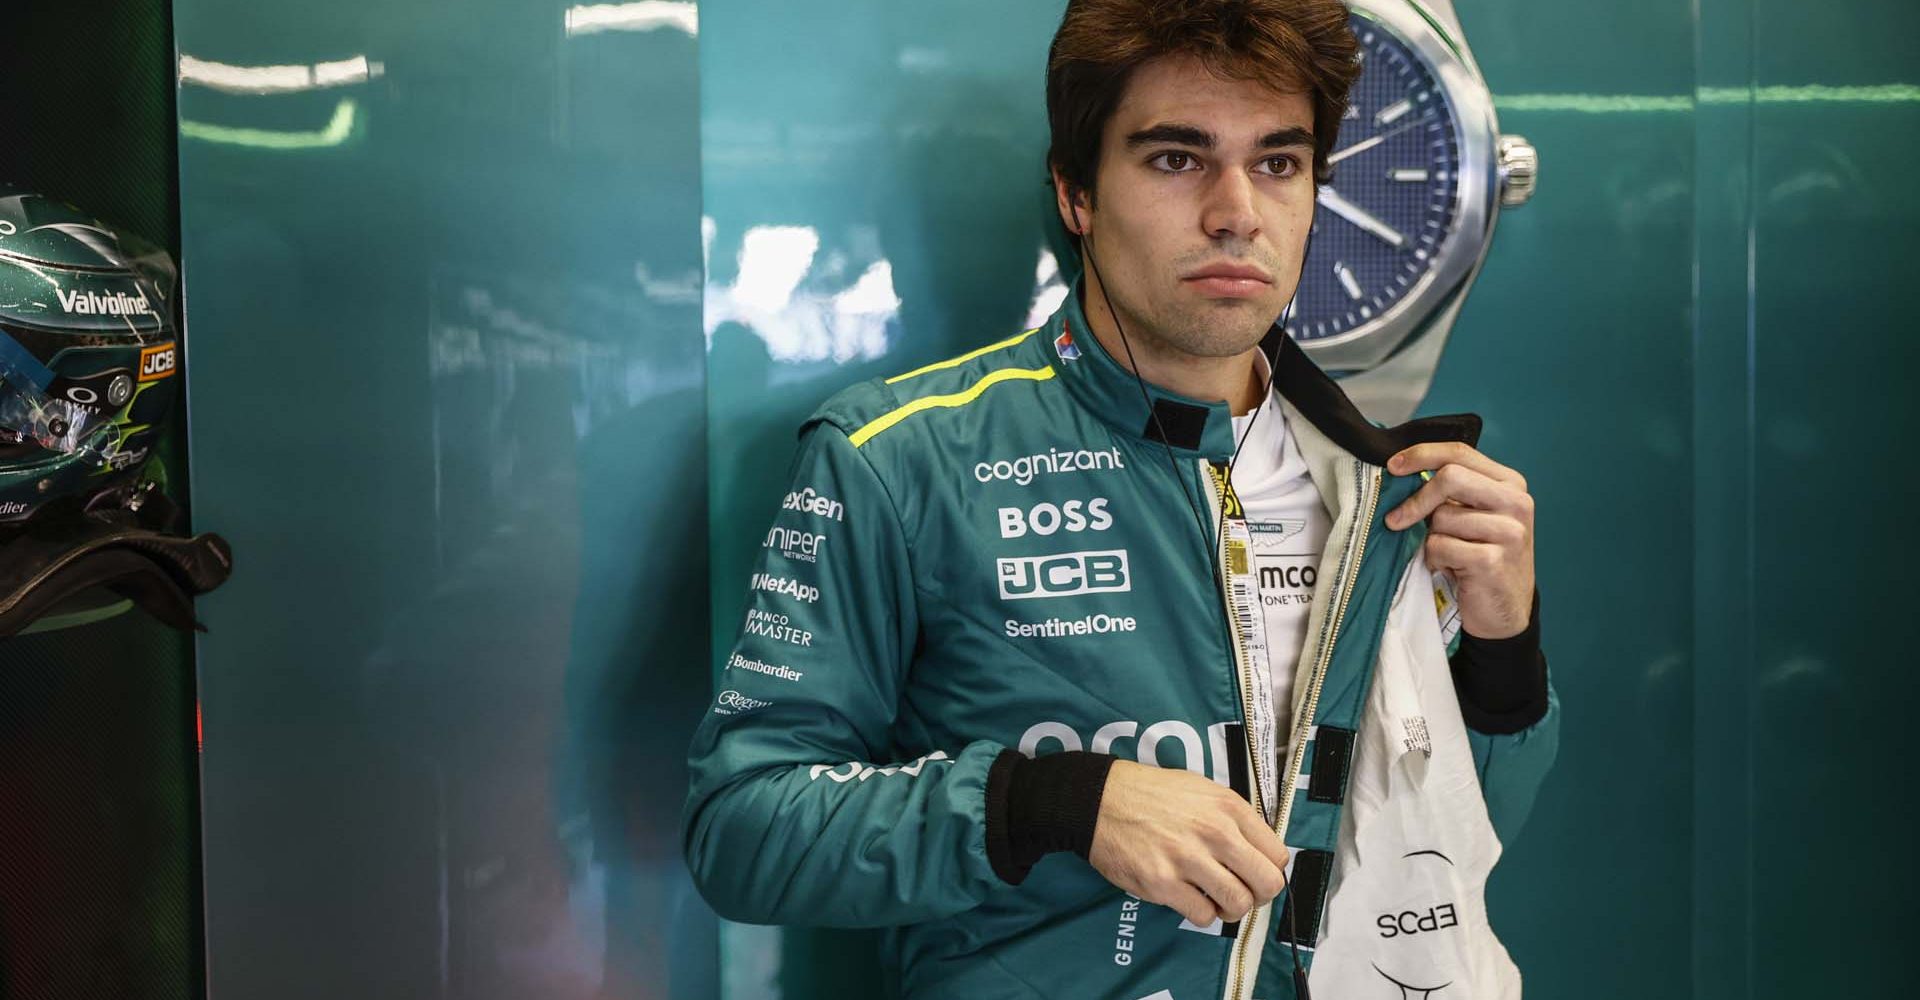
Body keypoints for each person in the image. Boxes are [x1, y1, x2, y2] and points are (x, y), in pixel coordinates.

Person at [683, 1, 1559, 996]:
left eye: (1279, 162)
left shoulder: (1378, 482)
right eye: (1177, 159)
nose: (1238, 212)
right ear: (1076, 193)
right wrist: (1053, 801)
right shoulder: (898, 458)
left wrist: (1505, 659)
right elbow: (740, 827)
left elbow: (1450, 836)